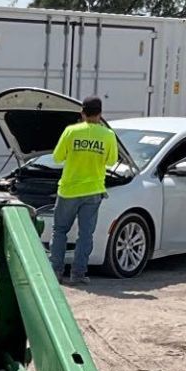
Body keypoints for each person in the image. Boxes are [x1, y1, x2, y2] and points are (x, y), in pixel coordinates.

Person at [47, 97, 121, 281]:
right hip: (93, 191)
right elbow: (112, 161)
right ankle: (78, 274)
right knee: (86, 234)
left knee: (60, 231)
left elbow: (57, 158)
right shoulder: (108, 135)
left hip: (69, 190)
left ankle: (56, 271)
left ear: (82, 112)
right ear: (100, 114)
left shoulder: (71, 131)